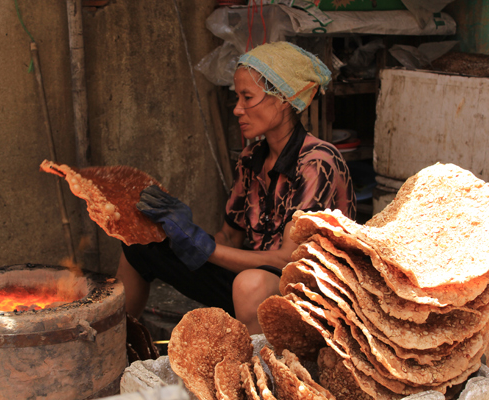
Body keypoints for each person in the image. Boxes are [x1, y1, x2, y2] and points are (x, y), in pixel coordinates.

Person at [116, 41, 356, 334]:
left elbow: (287, 260)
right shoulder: (251, 158)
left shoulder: (318, 162)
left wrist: (204, 247)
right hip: (252, 282)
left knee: (249, 283)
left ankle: (259, 373)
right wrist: (178, 236)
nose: (237, 109)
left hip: (309, 294)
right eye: (237, 98)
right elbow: (230, 236)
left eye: (247, 97)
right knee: (140, 244)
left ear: (283, 99)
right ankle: (121, 345)